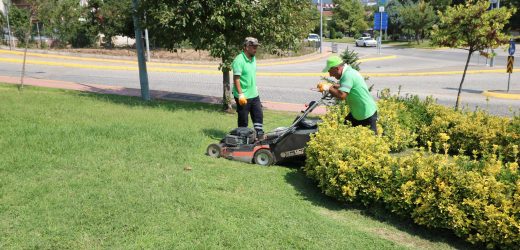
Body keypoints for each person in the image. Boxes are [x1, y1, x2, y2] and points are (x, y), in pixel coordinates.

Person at [318, 55, 378, 135]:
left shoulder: (348, 75)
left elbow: (342, 96)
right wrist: (337, 86)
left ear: (337, 68)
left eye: (330, 71)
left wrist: (329, 87)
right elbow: (351, 86)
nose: (330, 75)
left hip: (366, 113)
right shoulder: (349, 72)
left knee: (373, 141)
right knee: (343, 132)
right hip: (358, 112)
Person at [232, 37, 264, 138]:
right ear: (246, 47)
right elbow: (236, 79)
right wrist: (241, 94)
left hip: (254, 94)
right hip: (243, 96)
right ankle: (242, 140)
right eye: (253, 46)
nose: (255, 49)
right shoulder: (239, 60)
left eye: (256, 47)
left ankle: (259, 137)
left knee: (258, 116)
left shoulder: (253, 58)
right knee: (243, 120)